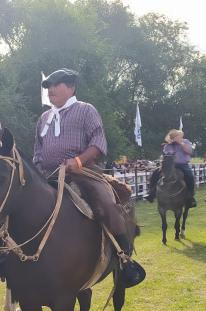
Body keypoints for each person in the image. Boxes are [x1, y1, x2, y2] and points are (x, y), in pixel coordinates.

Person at [33, 68, 143, 285]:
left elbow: (98, 144)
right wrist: (37, 170)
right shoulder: (44, 117)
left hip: (82, 173)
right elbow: (37, 149)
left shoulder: (85, 110)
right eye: (48, 87)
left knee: (107, 204)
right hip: (47, 176)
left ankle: (124, 258)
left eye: (56, 85)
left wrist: (78, 161)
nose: (51, 90)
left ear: (71, 87)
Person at [144, 129, 196, 207]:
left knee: (190, 176)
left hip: (182, 164)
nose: (175, 138)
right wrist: (169, 147)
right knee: (155, 173)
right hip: (169, 165)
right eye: (174, 137)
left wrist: (180, 143)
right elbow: (167, 155)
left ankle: (190, 197)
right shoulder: (168, 145)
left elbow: (189, 151)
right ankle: (151, 193)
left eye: (176, 136)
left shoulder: (186, 142)